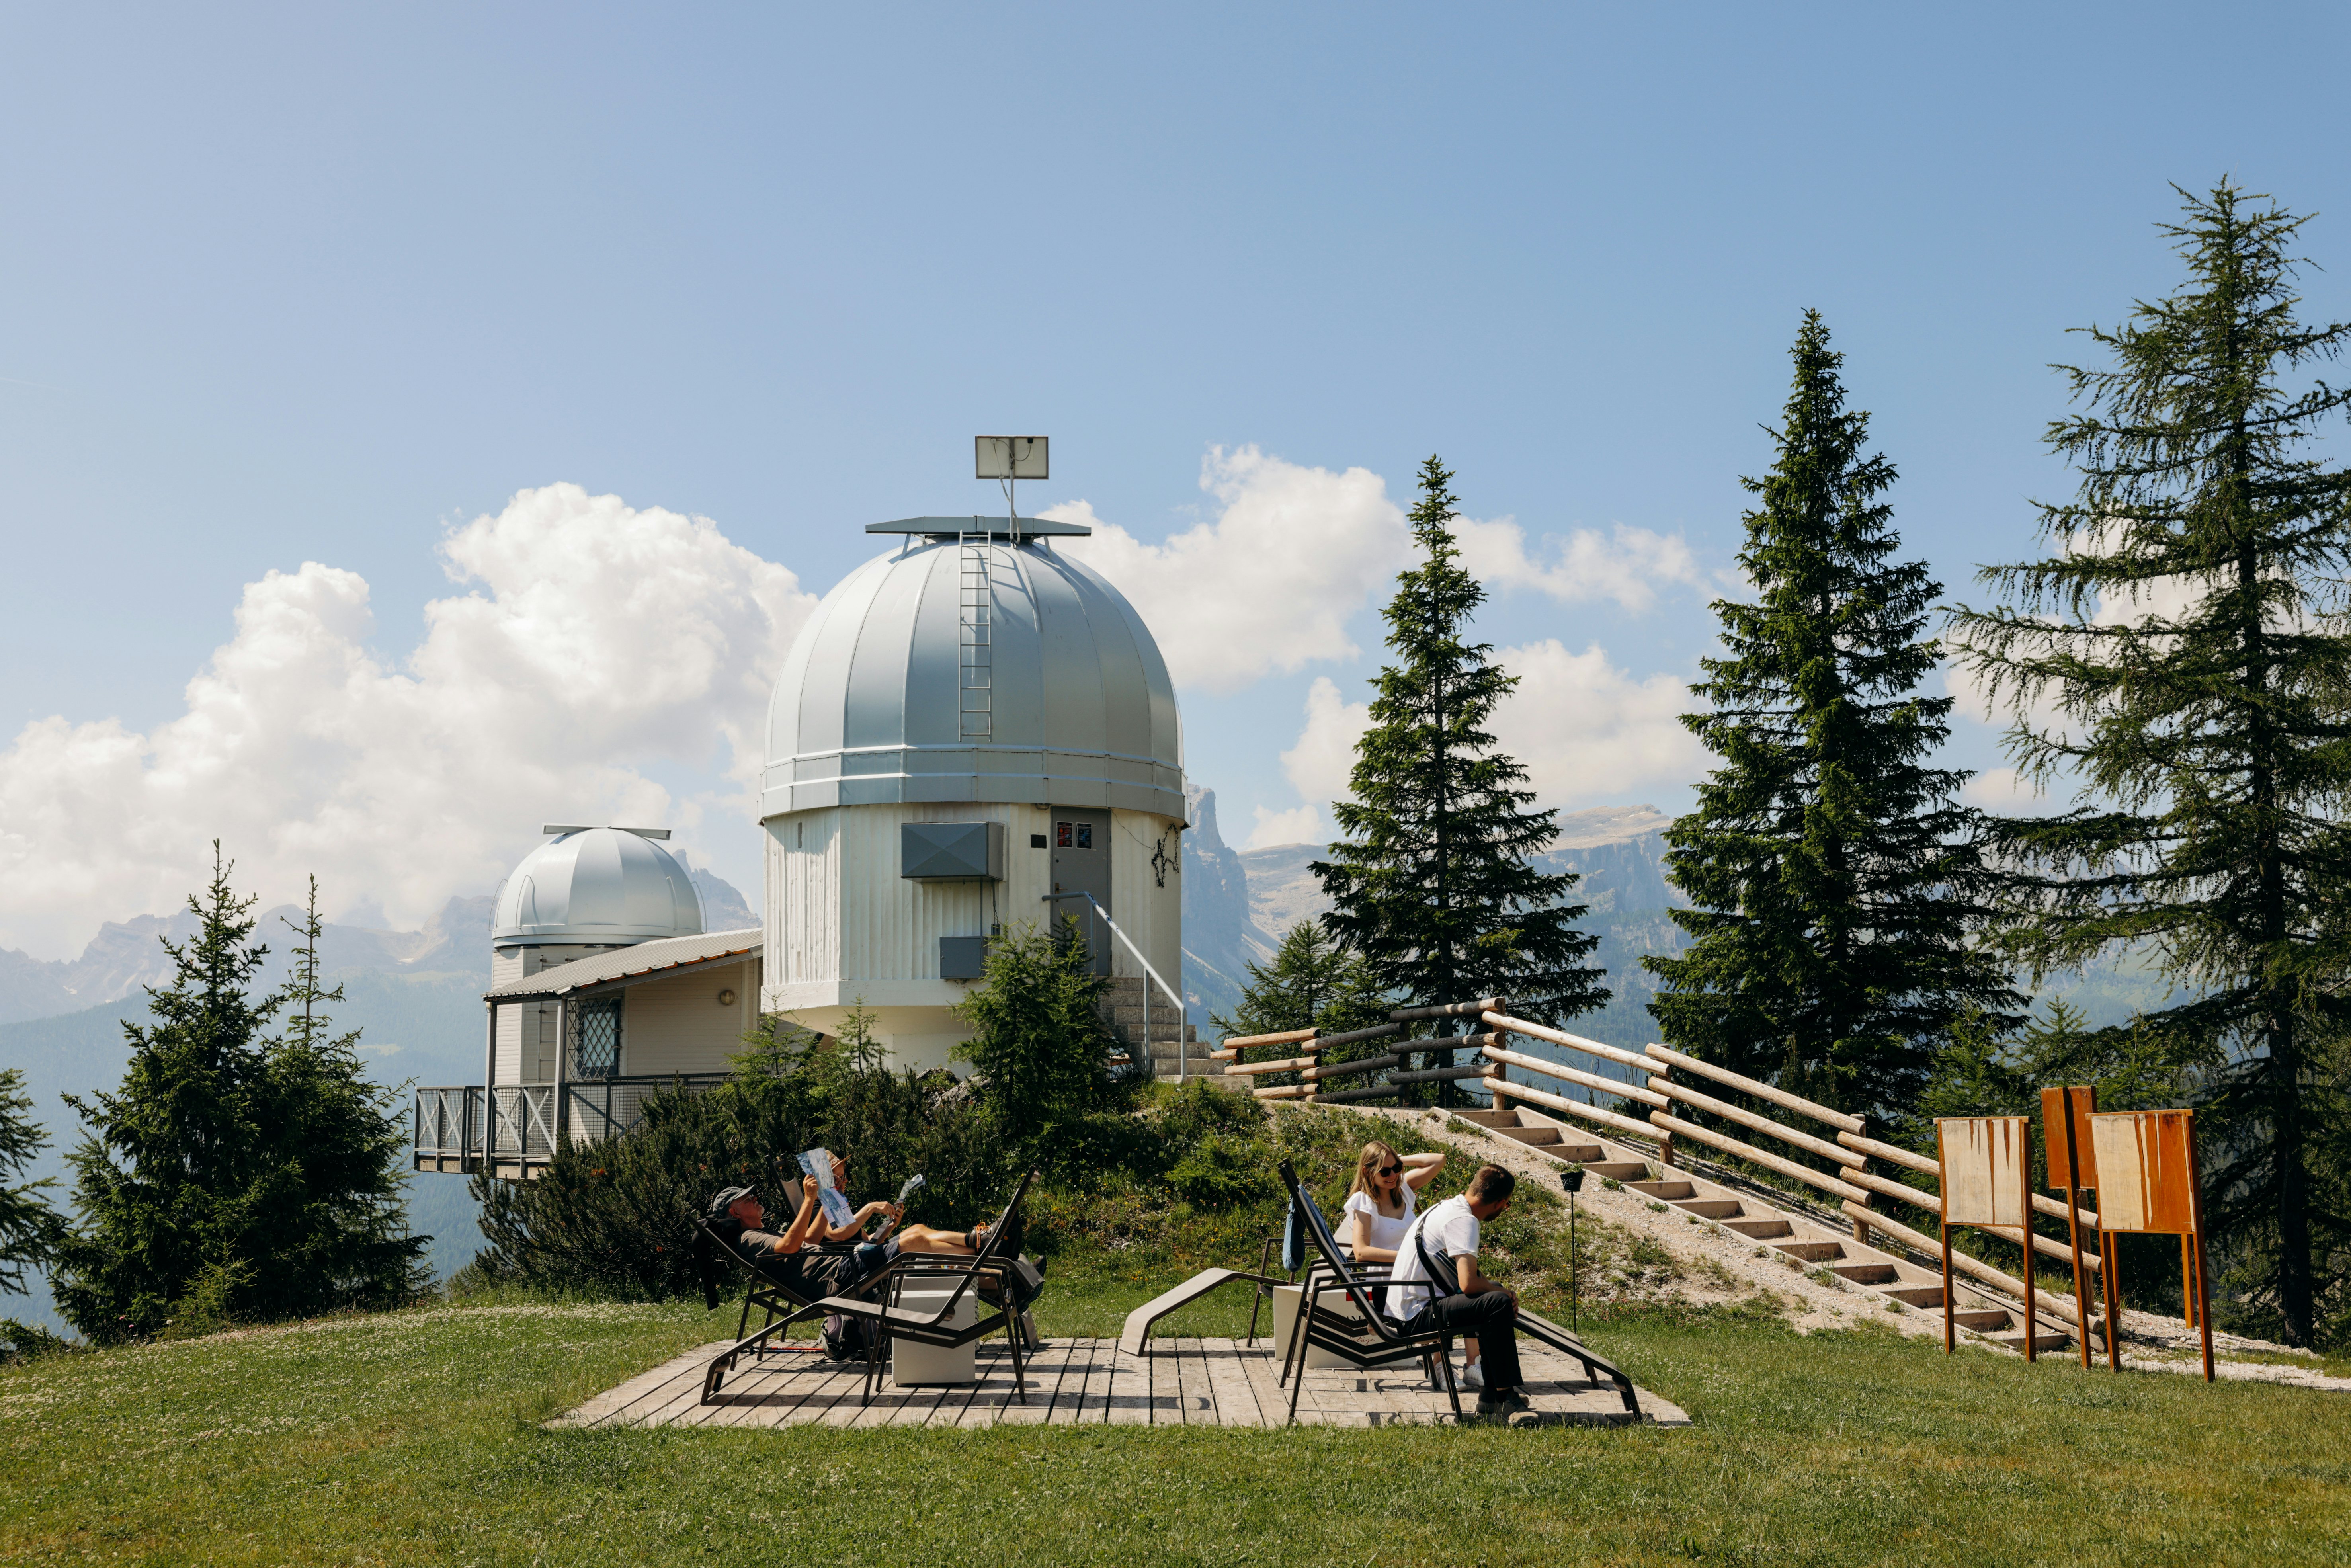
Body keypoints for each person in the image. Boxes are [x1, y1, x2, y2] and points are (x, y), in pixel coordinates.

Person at [1384, 1164, 1530, 1422]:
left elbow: (1467, 1278)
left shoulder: (1448, 1207)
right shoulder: (1464, 1220)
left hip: (1408, 1307)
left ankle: (1490, 1398)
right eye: (1506, 1206)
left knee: (1494, 1295)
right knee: (1495, 1301)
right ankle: (1507, 1398)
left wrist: (1498, 1289)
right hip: (1416, 1315)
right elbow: (1468, 1285)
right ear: (1500, 1203)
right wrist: (1503, 1293)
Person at [1341, 1141, 1445, 1264]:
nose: (1393, 1175)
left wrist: (1399, 1160)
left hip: (1418, 1267)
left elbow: (1439, 1160)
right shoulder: (1364, 1202)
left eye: (1396, 1168)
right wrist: (1411, 1256)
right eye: (1385, 1171)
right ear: (1367, 1172)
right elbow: (1361, 1252)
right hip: (1391, 1275)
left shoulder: (1402, 1188)